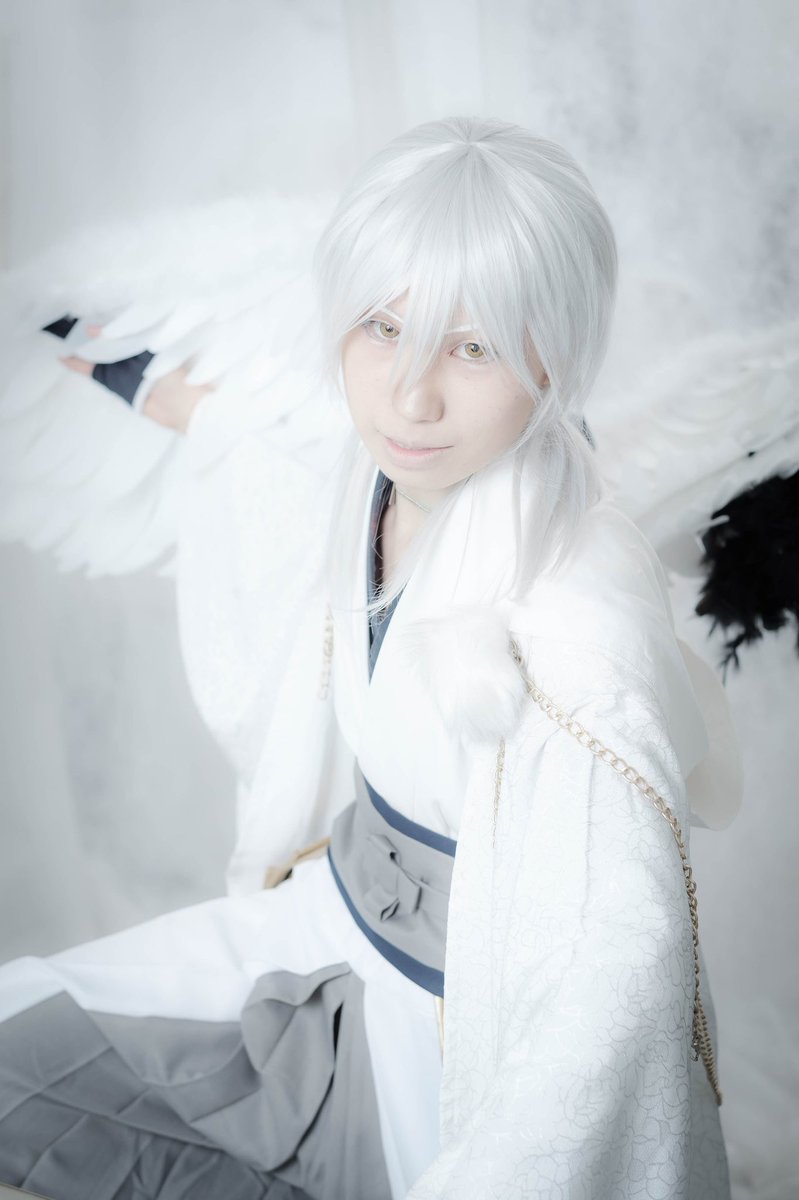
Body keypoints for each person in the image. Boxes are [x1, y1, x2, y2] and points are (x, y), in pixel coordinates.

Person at [0, 116, 731, 1199]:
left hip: (456, 1027)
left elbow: (616, 971)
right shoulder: (377, 469)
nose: (410, 396)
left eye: (473, 348)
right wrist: (166, 397)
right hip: (324, 923)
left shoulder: (577, 595)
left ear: (557, 357)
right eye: (383, 328)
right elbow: (274, 460)